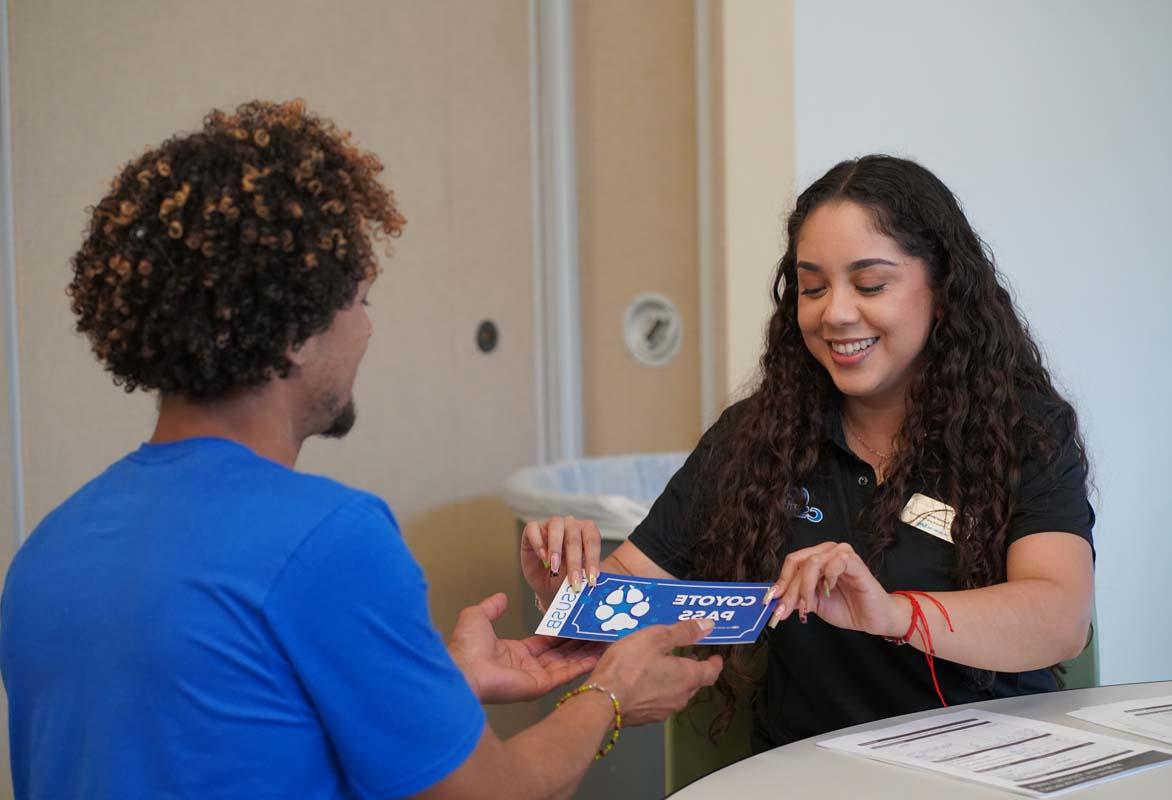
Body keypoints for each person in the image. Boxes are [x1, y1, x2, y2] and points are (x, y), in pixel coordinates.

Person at [0, 100, 722, 800]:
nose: (367, 332)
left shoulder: (47, 552)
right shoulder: (327, 539)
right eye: (361, 300)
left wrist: (441, 682)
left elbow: (227, 733)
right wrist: (611, 692)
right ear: (293, 330)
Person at [522, 155, 1095, 751]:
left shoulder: (1024, 430)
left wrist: (894, 614)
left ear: (944, 291)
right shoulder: (755, 438)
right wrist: (565, 590)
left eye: (871, 285)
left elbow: (1060, 619)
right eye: (813, 287)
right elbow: (630, 590)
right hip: (807, 772)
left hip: (991, 766)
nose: (836, 313)